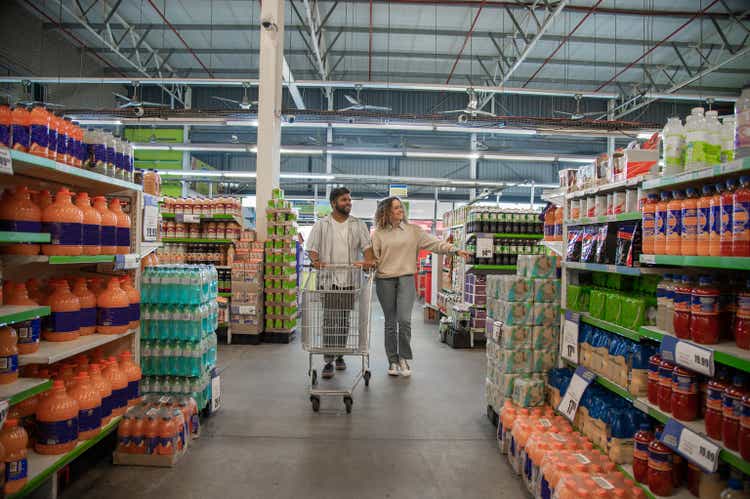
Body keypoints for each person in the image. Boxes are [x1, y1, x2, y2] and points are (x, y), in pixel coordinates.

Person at [372, 197, 469, 377]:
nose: (400, 210)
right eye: (396, 208)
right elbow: (373, 258)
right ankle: (392, 361)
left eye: (401, 207)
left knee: (405, 320)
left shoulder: (413, 231)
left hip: (406, 279)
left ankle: (404, 358)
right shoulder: (378, 233)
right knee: (391, 323)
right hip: (385, 280)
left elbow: (435, 243)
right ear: (386, 212)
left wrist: (454, 250)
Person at [306, 187, 374, 379]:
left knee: (344, 320)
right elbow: (312, 248)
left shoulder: (358, 225)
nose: (348, 203)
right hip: (329, 280)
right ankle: (328, 360)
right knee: (329, 320)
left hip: (350, 280)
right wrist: (316, 261)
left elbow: (367, 248)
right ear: (334, 203)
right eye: (344, 200)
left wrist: (368, 261)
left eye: (349, 200)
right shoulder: (322, 225)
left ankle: (340, 355)